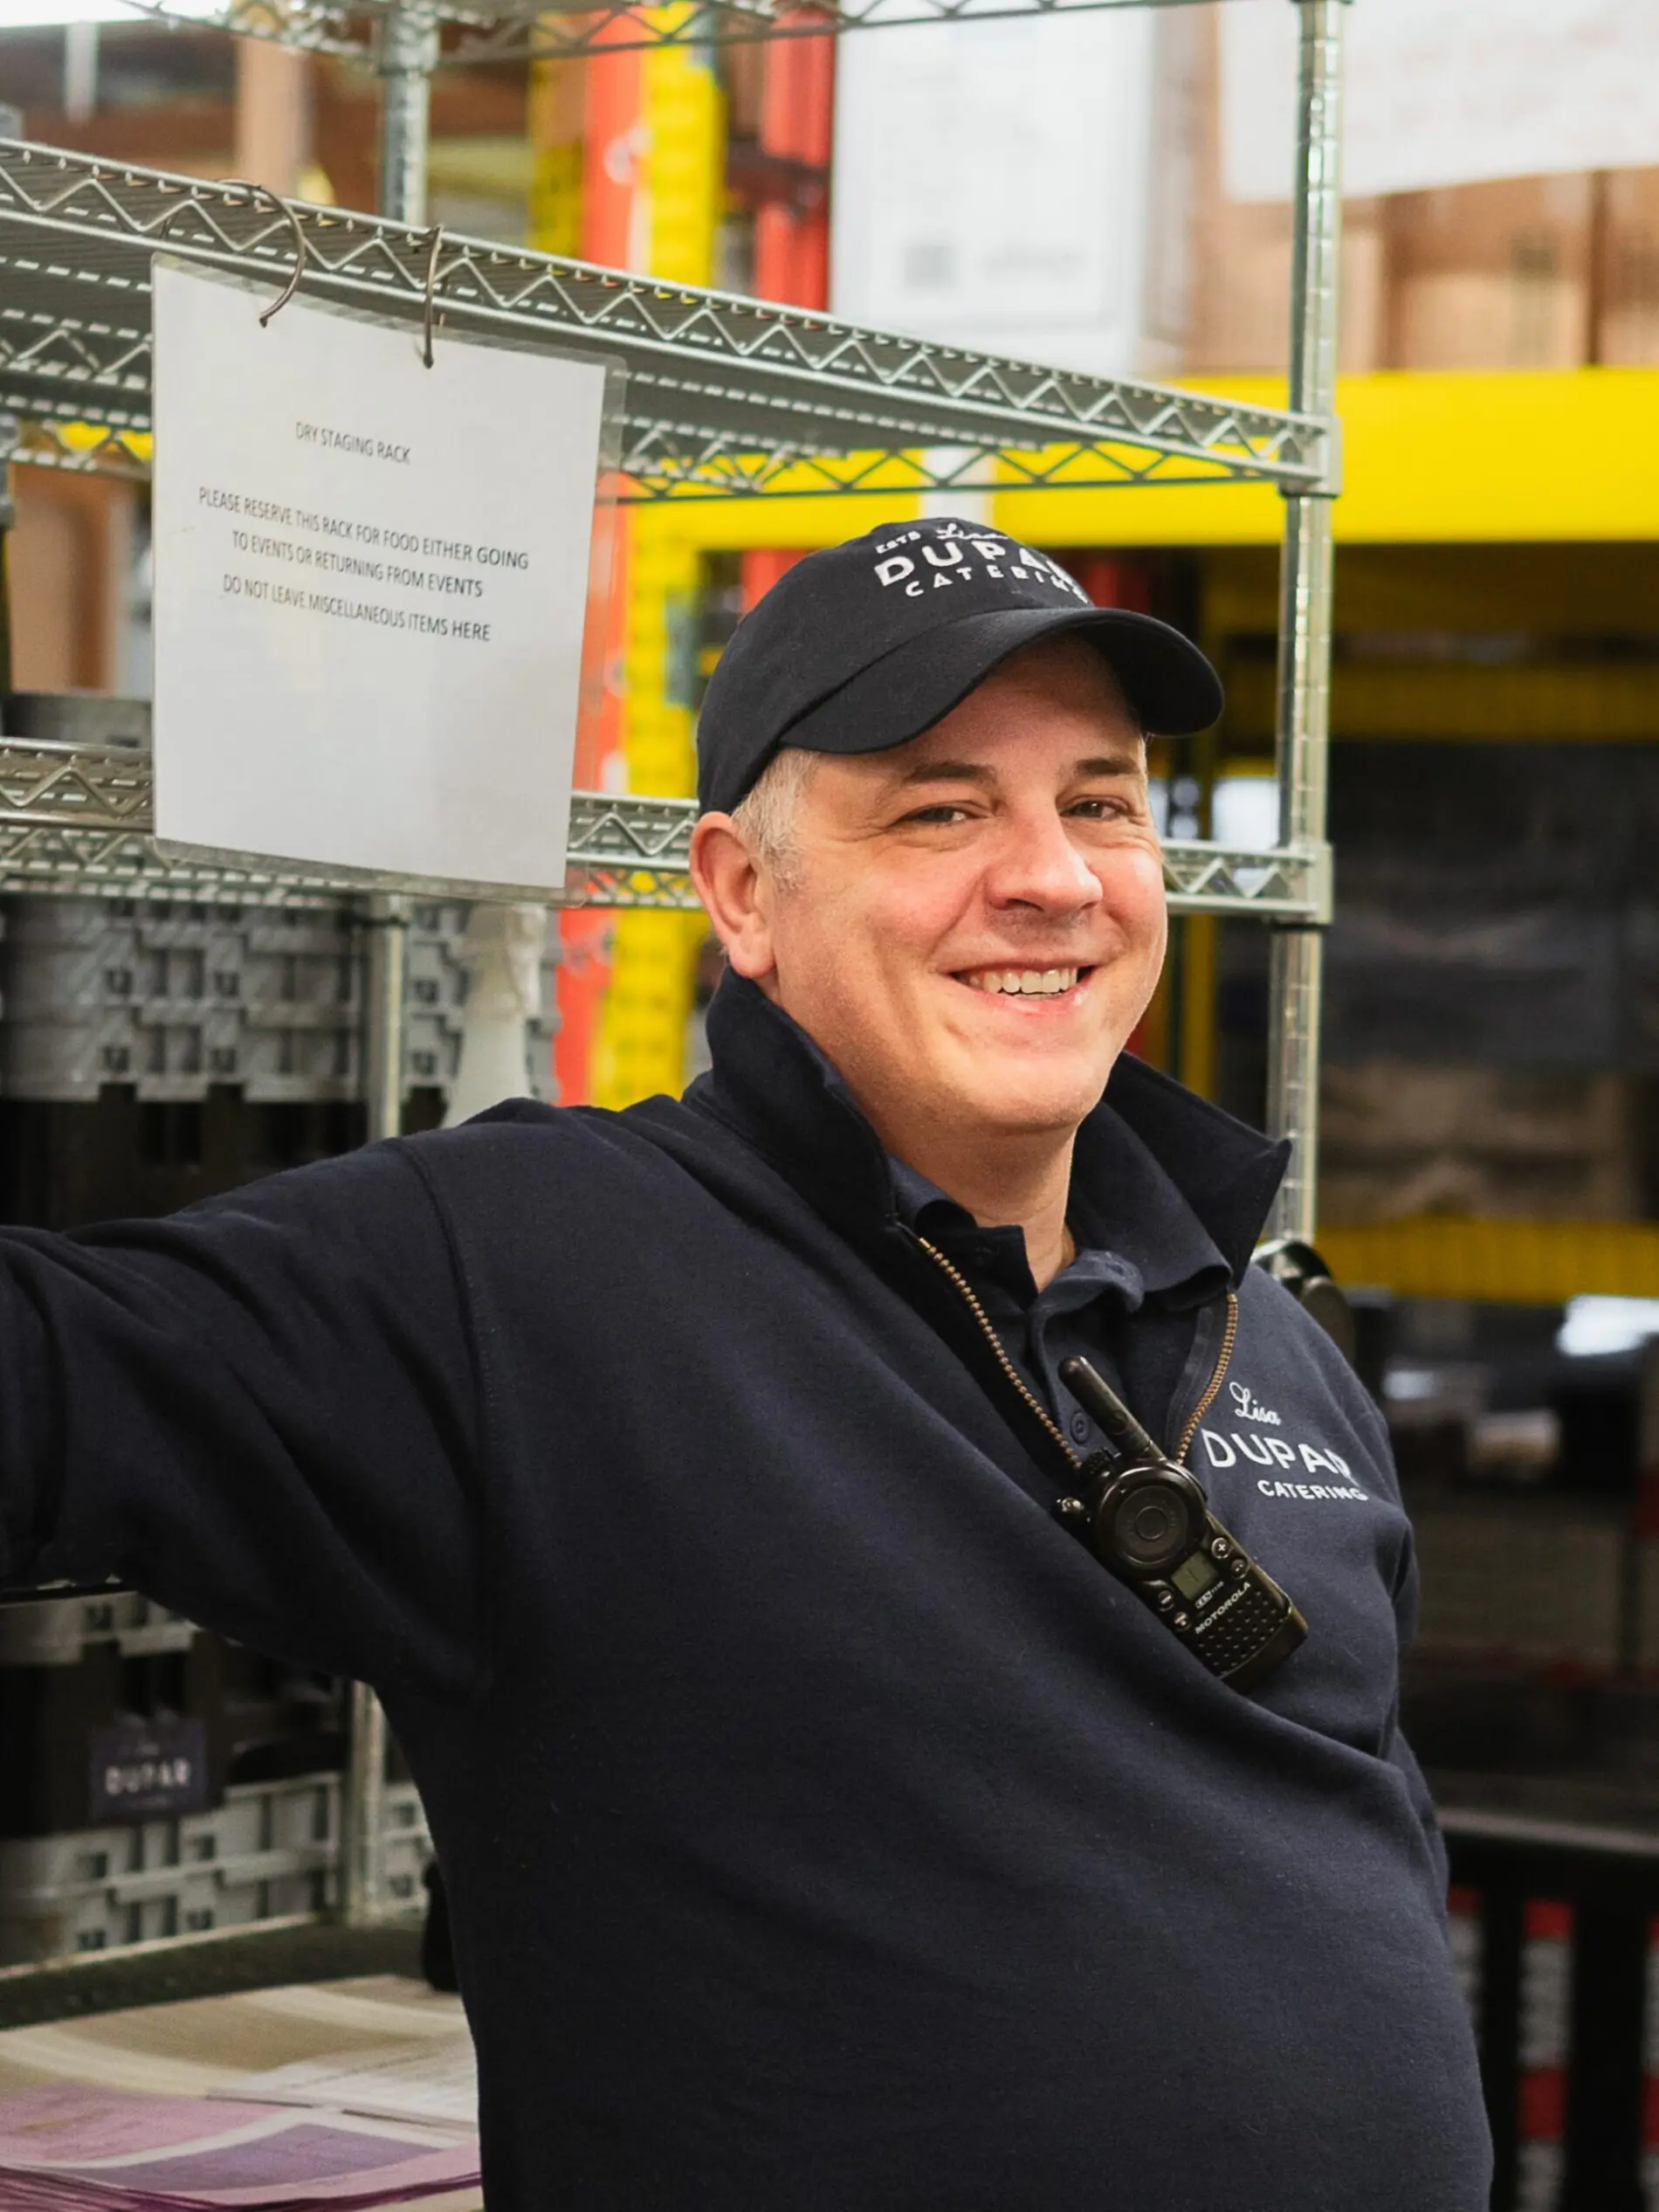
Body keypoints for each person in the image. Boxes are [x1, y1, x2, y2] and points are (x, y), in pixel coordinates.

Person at [0, 519, 1490, 2209]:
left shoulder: (1264, 1330)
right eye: (941, 807)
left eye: (1100, 800)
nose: (1055, 877)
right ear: (740, 893)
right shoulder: (528, 1272)